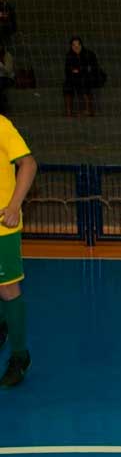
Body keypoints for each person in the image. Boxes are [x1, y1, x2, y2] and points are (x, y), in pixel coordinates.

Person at [0, 114, 34, 388]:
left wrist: (13, 206)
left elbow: (28, 163)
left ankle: (20, 357)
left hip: (1, 227)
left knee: (8, 289)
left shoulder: (1, 125)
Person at [63, 36, 102, 117]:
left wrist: (79, 71)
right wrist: (77, 71)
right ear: (71, 46)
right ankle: (68, 111)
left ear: (81, 45)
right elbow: (68, 70)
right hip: (75, 77)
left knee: (83, 82)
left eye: (77, 45)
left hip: (90, 77)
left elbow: (92, 68)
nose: (76, 47)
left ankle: (89, 110)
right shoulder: (69, 55)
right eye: (73, 45)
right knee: (67, 85)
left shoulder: (89, 54)